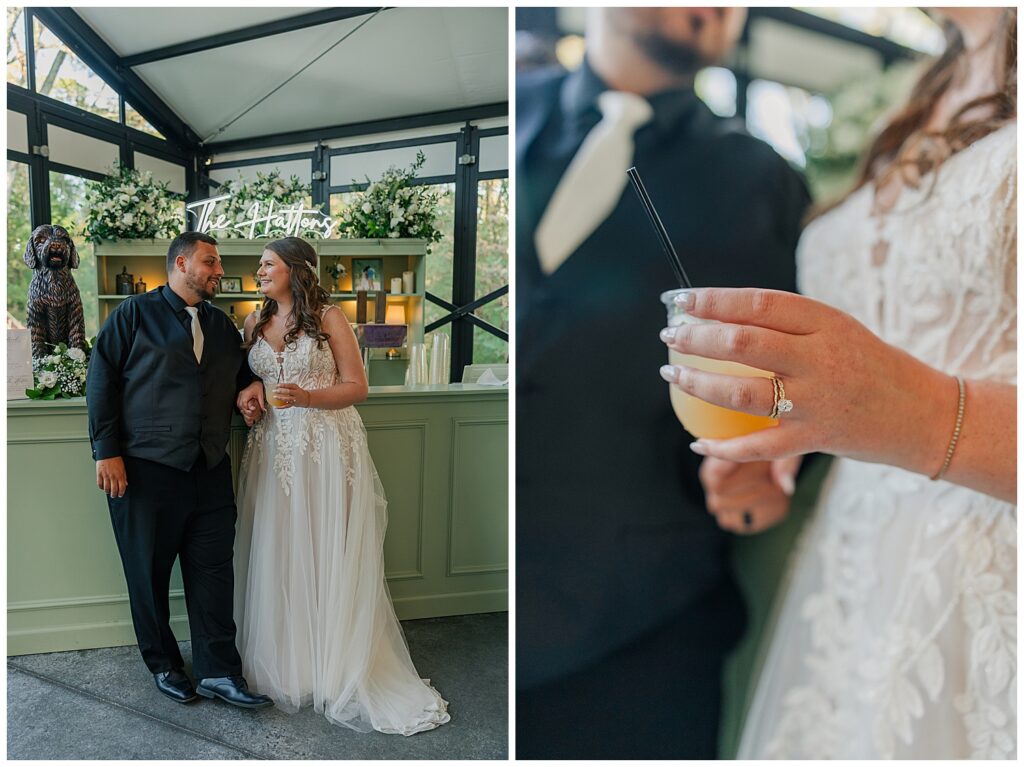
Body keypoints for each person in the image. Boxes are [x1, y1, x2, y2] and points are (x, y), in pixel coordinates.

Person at [659, 7, 1016, 759]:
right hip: (855, 582)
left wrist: (916, 413)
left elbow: (900, 398)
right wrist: (782, 460)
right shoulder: (929, 88)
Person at [516, 7, 810, 759]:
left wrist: (779, 467)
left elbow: (811, 384)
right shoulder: (515, 107)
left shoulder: (764, 179)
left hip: (648, 634)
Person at [233, 237, 449, 735]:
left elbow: (357, 386)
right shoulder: (252, 322)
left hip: (325, 445)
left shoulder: (328, 318)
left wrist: (307, 395)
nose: (260, 271)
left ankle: (336, 663)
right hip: (272, 449)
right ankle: (290, 664)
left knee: (325, 546)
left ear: (295, 270)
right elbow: (245, 377)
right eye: (260, 266)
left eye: (268, 264)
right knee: (280, 548)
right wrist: (249, 391)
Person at [86, 232, 271, 709]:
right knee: (146, 574)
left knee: (215, 575)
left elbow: (239, 371)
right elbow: (101, 382)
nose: (218, 271)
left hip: (209, 469)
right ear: (182, 263)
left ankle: (219, 672)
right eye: (210, 262)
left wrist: (249, 387)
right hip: (144, 471)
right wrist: (107, 452)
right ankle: (164, 664)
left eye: (219, 263)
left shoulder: (222, 324)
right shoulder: (132, 315)